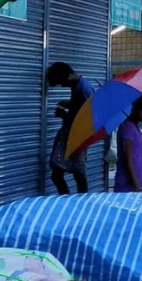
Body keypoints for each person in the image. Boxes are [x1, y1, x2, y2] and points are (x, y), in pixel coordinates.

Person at [46, 62, 95, 195]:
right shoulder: (78, 86)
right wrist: (70, 104)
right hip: (70, 134)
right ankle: (74, 200)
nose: (63, 86)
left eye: (62, 82)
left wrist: (65, 116)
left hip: (77, 136)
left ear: (68, 76)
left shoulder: (84, 89)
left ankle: (78, 200)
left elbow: (88, 118)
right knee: (63, 172)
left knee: (74, 172)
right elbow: (81, 108)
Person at [114, 95, 142, 193]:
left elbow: (135, 155)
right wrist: (137, 187)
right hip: (130, 185)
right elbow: (127, 159)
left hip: (139, 180)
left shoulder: (135, 127)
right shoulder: (127, 127)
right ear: (135, 107)